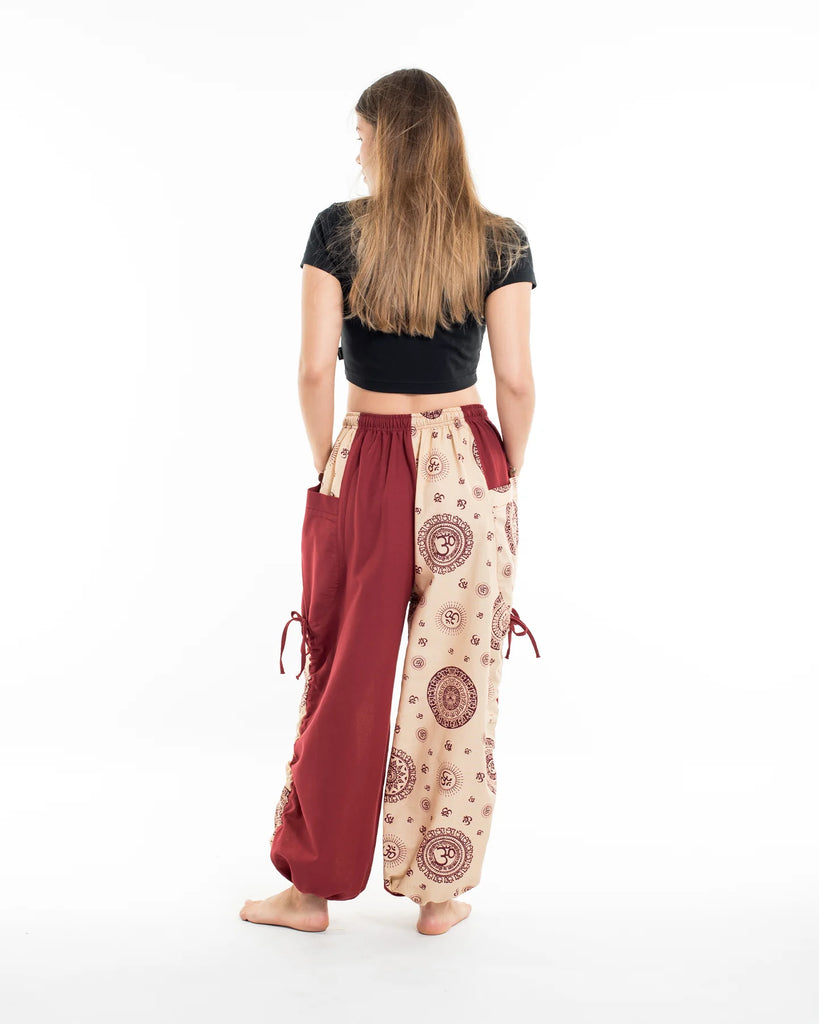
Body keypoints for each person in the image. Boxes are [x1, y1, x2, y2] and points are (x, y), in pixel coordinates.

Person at [240, 69, 540, 937]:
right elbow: (516, 382)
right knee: (455, 681)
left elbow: (312, 370)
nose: (358, 149)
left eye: (363, 134)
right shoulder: (501, 240)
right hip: (470, 463)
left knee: (344, 675)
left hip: (366, 454)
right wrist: (502, 474)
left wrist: (329, 461)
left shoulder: (337, 231)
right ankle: (438, 894)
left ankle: (311, 892)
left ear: (389, 139)